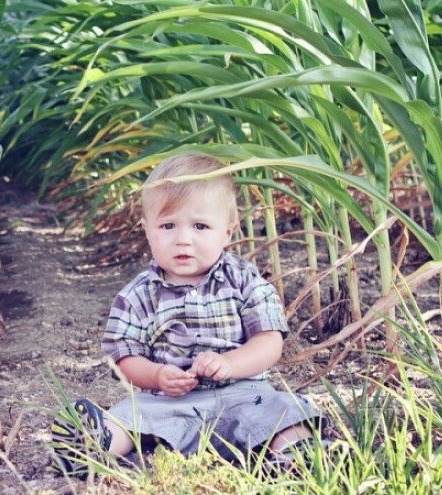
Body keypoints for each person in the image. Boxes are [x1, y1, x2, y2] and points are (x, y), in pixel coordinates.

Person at [51, 154, 326, 477]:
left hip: (244, 396)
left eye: (200, 226)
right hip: (169, 402)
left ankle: (293, 456)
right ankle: (94, 445)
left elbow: (269, 341)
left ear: (227, 232)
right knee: (130, 414)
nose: (183, 238)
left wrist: (230, 363)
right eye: (168, 225)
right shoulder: (137, 295)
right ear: (147, 230)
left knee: (284, 410)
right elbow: (124, 358)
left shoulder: (244, 279)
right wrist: (156, 376)